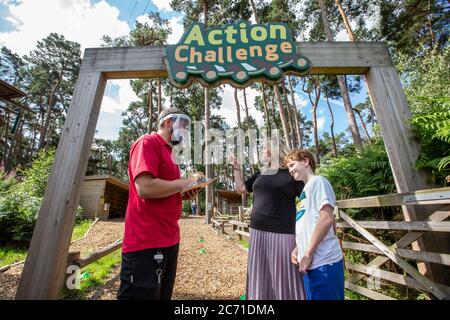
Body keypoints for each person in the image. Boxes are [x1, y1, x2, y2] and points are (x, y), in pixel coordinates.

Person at [117, 107, 203, 300]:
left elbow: (165, 189)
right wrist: (187, 181)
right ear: (168, 122)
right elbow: (145, 188)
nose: (186, 130)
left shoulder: (170, 153)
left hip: (170, 238)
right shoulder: (147, 143)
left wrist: (183, 193)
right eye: (184, 124)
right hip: (146, 241)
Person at [230, 139, 306, 300]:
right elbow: (240, 189)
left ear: (273, 150)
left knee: (285, 275)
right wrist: (235, 167)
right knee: (260, 274)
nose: (262, 150)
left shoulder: (292, 174)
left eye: (264, 147)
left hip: (283, 233)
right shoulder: (261, 173)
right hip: (257, 232)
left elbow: (308, 201)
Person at [284, 149, 344, 300]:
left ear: (305, 161)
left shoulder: (319, 181)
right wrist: (299, 247)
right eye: (288, 167)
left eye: (292, 165)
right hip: (310, 264)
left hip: (324, 263)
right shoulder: (305, 190)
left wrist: (308, 253)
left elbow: (326, 218)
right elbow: (310, 223)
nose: (290, 170)